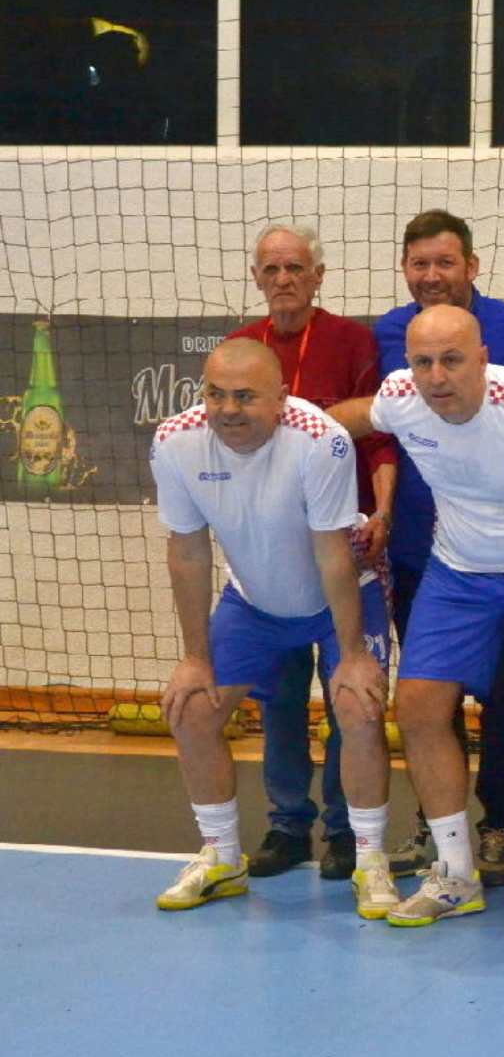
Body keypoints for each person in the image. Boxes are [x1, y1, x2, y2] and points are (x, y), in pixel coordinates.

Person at [332, 306, 504, 934]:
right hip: (457, 573)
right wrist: (282, 424)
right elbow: (351, 417)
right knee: (418, 709)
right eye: (423, 362)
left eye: (452, 360)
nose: (437, 377)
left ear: (483, 359)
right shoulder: (402, 397)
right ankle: (456, 874)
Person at [150, 339, 397, 919]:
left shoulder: (320, 440)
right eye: (215, 395)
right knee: (191, 710)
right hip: (254, 603)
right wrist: (195, 658)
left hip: (340, 595)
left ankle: (370, 861)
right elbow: (187, 551)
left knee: (358, 709)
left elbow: (333, 554)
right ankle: (221, 857)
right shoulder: (175, 441)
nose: (227, 409)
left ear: (282, 398)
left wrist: (354, 654)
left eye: (245, 397)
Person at [372, 210, 504, 888]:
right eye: (420, 263)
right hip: (422, 552)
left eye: (445, 262)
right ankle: (434, 826)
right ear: (405, 270)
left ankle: (498, 826)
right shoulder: (388, 333)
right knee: (428, 699)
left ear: (472, 265)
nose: (433, 275)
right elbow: (377, 422)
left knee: (503, 692)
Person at [227, 224, 397, 882]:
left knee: (349, 697)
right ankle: (287, 826)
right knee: (279, 700)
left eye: (295, 267)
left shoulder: (351, 341)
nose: (283, 279)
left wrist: (383, 512)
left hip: (345, 554)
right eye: (271, 268)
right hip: (274, 560)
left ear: (318, 276)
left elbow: (378, 436)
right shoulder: (242, 350)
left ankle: (348, 831)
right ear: (256, 276)